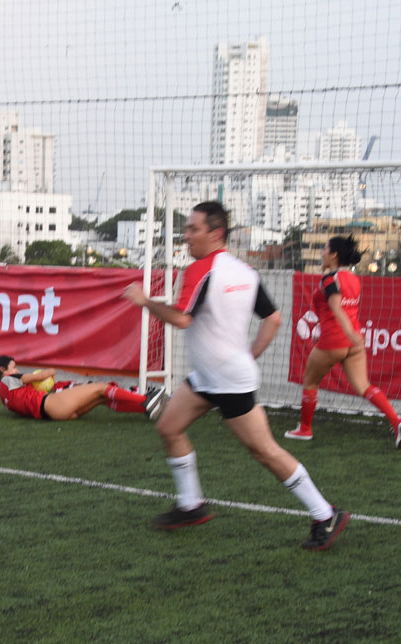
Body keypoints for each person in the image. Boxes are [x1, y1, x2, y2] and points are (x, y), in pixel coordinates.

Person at [121, 201, 349, 550]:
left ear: (215, 233)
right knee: (168, 426)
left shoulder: (201, 269)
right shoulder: (245, 272)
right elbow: (273, 319)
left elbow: (182, 319)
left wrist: (144, 301)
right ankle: (191, 504)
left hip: (226, 380)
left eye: (193, 229)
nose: (186, 236)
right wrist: (250, 355)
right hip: (210, 377)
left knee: (264, 451)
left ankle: (325, 513)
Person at [284, 234, 401, 448]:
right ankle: (397, 421)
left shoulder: (329, 279)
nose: (322, 253)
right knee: (364, 386)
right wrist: (353, 336)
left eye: (324, 248)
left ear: (334, 255)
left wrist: (346, 332)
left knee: (310, 382)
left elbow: (335, 307)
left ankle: (304, 429)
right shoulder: (354, 279)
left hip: (334, 340)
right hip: (354, 343)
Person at [0, 355, 165, 421]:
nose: (17, 370)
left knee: (101, 399)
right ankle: (145, 401)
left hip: (54, 414)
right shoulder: (10, 379)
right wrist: (50, 372)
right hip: (54, 404)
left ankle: (144, 409)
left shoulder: (3, 393)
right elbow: (39, 376)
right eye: (14, 366)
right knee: (101, 388)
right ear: (4, 370)